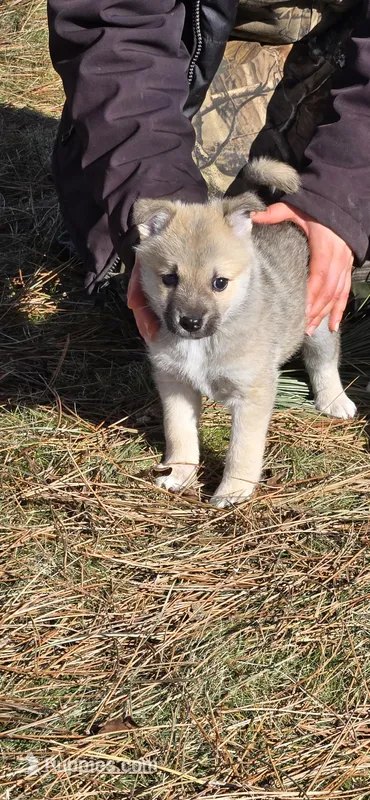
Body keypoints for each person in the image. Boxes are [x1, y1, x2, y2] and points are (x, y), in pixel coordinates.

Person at [48, 0, 370, 343]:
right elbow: (114, 26)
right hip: (198, 47)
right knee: (184, 291)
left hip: (352, 75)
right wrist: (166, 209)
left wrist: (339, 196)